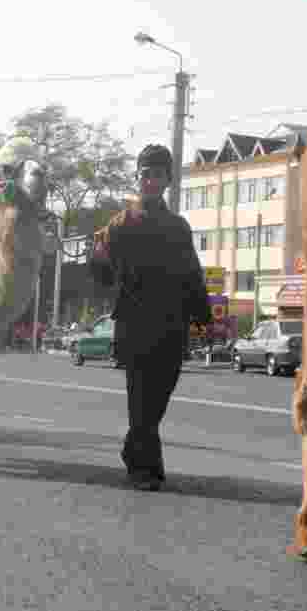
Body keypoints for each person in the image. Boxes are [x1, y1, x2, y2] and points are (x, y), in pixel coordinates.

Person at [89, 144, 212, 491]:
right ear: (138, 177)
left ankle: (133, 448)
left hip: (172, 324)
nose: (150, 180)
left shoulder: (179, 227)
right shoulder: (119, 224)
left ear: (168, 180)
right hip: (135, 323)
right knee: (140, 395)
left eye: (157, 174)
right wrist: (96, 257)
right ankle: (145, 468)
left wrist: (203, 315)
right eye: (145, 174)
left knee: (161, 393)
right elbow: (103, 277)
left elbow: (192, 275)